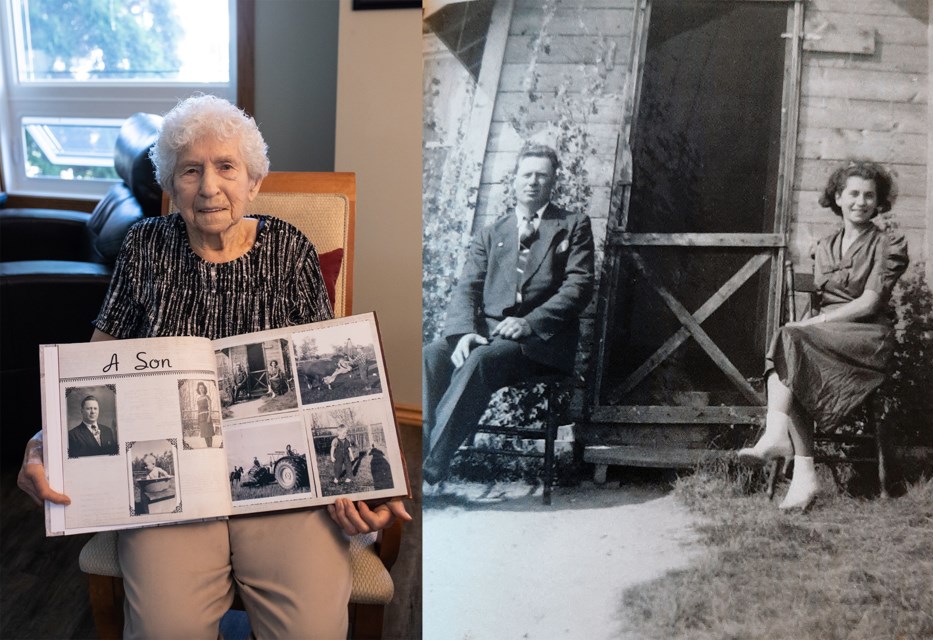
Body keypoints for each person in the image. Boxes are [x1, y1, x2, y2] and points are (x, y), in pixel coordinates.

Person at [17, 94, 410, 639]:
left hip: (280, 492)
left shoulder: (289, 249)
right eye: (190, 170)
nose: (208, 187)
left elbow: (330, 384)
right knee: (165, 629)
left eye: (226, 167)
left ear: (252, 180)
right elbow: (92, 368)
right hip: (173, 484)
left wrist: (366, 481)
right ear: (170, 185)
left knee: (311, 631)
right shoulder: (143, 247)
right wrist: (45, 442)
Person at [738, 159, 909, 511]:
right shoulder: (825, 246)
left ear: (879, 203)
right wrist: (813, 326)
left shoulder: (886, 244)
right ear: (837, 197)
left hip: (866, 338)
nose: (861, 202)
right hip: (828, 336)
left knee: (793, 342)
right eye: (853, 194)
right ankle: (801, 474)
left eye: (869, 196)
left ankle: (779, 442)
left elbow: (869, 302)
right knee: (792, 352)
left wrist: (815, 324)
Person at [422, 142, 595, 485]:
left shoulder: (573, 225)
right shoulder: (492, 233)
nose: (533, 182)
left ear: (553, 182)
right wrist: (462, 333)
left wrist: (529, 323)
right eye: (526, 174)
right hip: (488, 335)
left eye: (541, 176)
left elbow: (579, 287)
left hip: (539, 344)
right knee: (431, 355)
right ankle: (417, 452)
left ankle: (432, 464)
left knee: (480, 360)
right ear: (514, 181)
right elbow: (467, 287)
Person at [195, 382, 214, 447]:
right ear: (198, 389)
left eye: (202, 387)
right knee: (205, 434)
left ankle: (210, 446)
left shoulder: (207, 397)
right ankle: (208, 447)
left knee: (209, 434)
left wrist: (209, 416)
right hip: (201, 417)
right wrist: (198, 419)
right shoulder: (198, 398)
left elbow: (210, 408)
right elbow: (198, 410)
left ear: (204, 388)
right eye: (200, 388)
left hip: (206, 416)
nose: (201, 389)